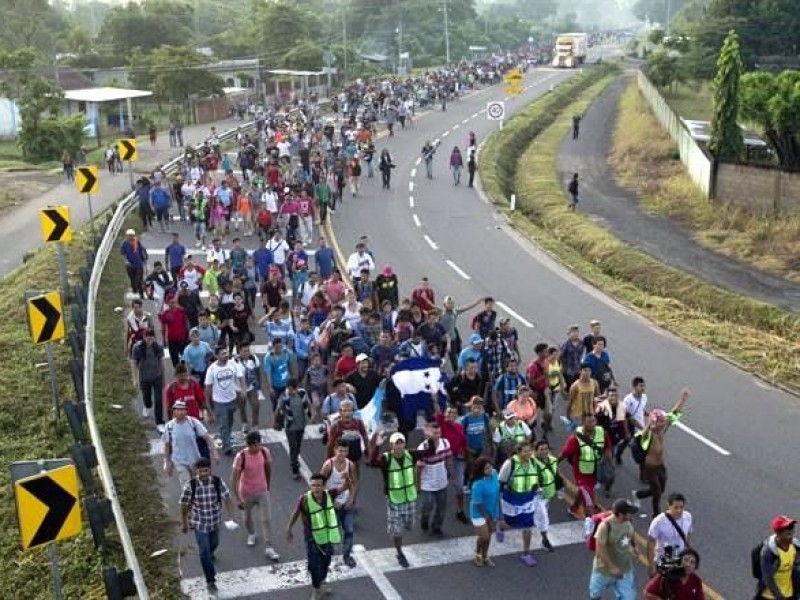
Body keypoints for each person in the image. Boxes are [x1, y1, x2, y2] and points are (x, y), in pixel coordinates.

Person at [369, 430, 431, 568]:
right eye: (396, 443)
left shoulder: (411, 454)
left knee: (409, 524)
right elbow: (372, 463)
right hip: (394, 498)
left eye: (401, 443)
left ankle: (404, 528)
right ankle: (399, 551)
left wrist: (430, 438)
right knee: (397, 530)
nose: (399, 446)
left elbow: (429, 452)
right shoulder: (386, 459)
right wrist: (377, 445)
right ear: (391, 445)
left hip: (409, 497)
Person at [286, 473, 352, 600]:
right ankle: (316, 589)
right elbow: (296, 512)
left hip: (327, 537)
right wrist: (289, 528)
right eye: (313, 485)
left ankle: (322, 580)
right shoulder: (304, 499)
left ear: (323, 487)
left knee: (325, 562)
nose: (315, 488)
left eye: (318, 485)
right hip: (311, 538)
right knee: (314, 565)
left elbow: (345, 487)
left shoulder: (329, 494)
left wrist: (347, 479)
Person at [179, 458, 237, 592]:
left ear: (210, 470)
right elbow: (183, 505)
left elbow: (227, 498)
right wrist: (184, 523)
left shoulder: (217, 482)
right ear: (196, 471)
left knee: (214, 543)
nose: (203, 473)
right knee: (204, 552)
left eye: (206, 470)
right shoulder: (191, 485)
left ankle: (210, 554)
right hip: (200, 524)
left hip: (215, 522)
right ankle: (210, 580)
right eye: (200, 471)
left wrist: (231, 516)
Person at [631, 389, 689, 516]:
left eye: (663, 421)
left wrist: (683, 399)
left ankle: (638, 494)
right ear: (654, 424)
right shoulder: (647, 436)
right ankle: (656, 514)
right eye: (660, 422)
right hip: (650, 468)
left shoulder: (662, 430)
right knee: (657, 493)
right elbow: (644, 434)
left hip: (660, 466)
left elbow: (674, 413)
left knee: (661, 489)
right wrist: (649, 423)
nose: (664, 423)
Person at [232, 431, 280, 561]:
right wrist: (238, 498)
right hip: (246, 492)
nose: (253, 448)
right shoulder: (241, 456)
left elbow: (268, 468)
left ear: (259, 443)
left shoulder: (265, 452)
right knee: (247, 518)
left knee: (266, 519)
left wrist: (268, 485)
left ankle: (269, 547)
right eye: (250, 445)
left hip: (262, 490)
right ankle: (252, 533)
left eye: (255, 445)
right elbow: (234, 479)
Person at [558, 413, 611, 519]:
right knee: (589, 498)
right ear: (583, 423)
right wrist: (554, 465)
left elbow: (607, 448)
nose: (592, 424)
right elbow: (565, 453)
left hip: (596, 470)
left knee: (584, 492)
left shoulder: (602, 432)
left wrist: (606, 461)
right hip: (582, 471)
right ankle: (591, 521)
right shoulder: (575, 439)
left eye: (594, 421)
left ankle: (573, 508)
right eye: (589, 422)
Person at [497, 440, 539, 567]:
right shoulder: (510, 464)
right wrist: (497, 497)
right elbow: (501, 481)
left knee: (528, 525)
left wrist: (536, 490)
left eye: (529, 451)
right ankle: (501, 526)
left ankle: (526, 553)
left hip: (528, 497)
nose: (528, 454)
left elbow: (535, 477)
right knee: (511, 523)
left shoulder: (533, 462)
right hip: (512, 498)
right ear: (518, 452)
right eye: (525, 451)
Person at [588, 498, 638, 600]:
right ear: (620, 514)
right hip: (603, 570)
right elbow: (599, 550)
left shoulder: (628, 522)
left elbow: (631, 534)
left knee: (628, 597)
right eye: (629, 513)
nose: (631, 515)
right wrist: (611, 568)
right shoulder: (605, 526)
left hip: (625, 568)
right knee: (595, 595)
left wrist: (634, 547)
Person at [320, 439, 359, 568]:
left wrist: (351, 499)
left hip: (346, 504)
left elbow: (354, 483)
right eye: (340, 451)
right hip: (332, 504)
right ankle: (328, 554)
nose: (342, 454)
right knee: (333, 532)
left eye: (345, 451)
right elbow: (319, 485)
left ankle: (347, 555)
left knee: (349, 529)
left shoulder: (351, 465)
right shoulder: (328, 465)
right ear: (335, 450)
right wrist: (331, 501)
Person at [163, 400, 217, 487]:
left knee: (198, 484)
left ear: (186, 411)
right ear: (174, 411)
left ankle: (196, 498)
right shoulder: (169, 427)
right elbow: (167, 445)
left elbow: (207, 437)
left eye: (183, 409)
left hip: (195, 460)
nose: (181, 412)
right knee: (187, 486)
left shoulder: (193, 423)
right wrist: (166, 462)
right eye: (178, 410)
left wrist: (215, 453)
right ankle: (190, 500)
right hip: (179, 461)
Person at [205, 346, 245, 455]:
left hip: (232, 399)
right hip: (219, 402)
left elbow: (240, 377)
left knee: (230, 422)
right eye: (222, 353)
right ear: (217, 356)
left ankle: (226, 437)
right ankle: (226, 446)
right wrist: (208, 406)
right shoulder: (212, 369)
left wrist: (243, 390)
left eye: (226, 353)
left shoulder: (233, 364)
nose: (226, 355)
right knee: (224, 424)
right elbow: (208, 388)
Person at [417, 420, 453, 537]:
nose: (438, 436)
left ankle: (436, 526)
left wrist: (450, 471)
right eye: (435, 433)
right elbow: (418, 468)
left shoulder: (445, 443)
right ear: (428, 434)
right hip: (427, 482)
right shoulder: (423, 448)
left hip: (441, 480)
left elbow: (448, 458)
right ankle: (424, 519)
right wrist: (417, 485)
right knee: (428, 504)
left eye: (439, 433)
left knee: (441, 506)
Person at [647, 493, 693, 577]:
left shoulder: (688, 517)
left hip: (681, 560)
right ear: (669, 506)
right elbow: (650, 543)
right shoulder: (659, 521)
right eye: (676, 507)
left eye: (681, 507)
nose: (679, 510)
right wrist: (651, 566)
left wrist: (690, 554)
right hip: (663, 561)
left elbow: (688, 535)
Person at [755, 515, 800, 600]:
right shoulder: (768, 553)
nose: (791, 536)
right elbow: (768, 578)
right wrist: (778, 596)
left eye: (792, 532)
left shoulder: (795, 546)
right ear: (778, 534)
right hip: (770, 596)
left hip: (789, 594)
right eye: (788, 534)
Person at [275, 379, 311, 480]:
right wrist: (277, 420)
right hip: (290, 426)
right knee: (293, 446)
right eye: (289, 389)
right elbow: (279, 409)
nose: (291, 391)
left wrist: (310, 415)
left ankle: (295, 459)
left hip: (301, 424)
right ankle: (294, 467)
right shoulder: (284, 397)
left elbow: (307, 404)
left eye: (293, 389)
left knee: (298, 445)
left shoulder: (302, 393)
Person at [470, 456, 501, 567]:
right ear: (480, 470)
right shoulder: (477, 484)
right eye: (486, 468)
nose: (489, 470)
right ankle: (477, 553)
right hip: (479, 513)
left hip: (492, 510)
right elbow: (477, 503)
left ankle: (485, 556)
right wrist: (486, 515)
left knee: (489, 536)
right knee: (485, 536)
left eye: (490, 467)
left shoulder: (494, 473)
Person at [132, 330, 165, 430]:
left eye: (151, 337)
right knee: (147, 397)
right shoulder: (137, 348)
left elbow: (161, 362)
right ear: (144, 337)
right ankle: (147, 406)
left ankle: (159, 422)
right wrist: (135, 379)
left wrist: (163, 378)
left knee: (158, 399)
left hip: (157, 377)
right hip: (144, 377)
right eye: (147, 337)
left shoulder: (158, 347)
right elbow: (133, 363)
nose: (149, 340)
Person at [120, 228, 148, 298]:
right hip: (130, 265)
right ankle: (135, 289)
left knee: (139, 280)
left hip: (138, 264)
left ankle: (141, 294)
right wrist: (126, 261)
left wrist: (144, 259)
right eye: (129, 235)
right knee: (132, 278)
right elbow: (123, 254)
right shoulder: (124, 244)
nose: (130, 237)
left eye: (132, 235)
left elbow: (141, 250)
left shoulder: (137, 241)